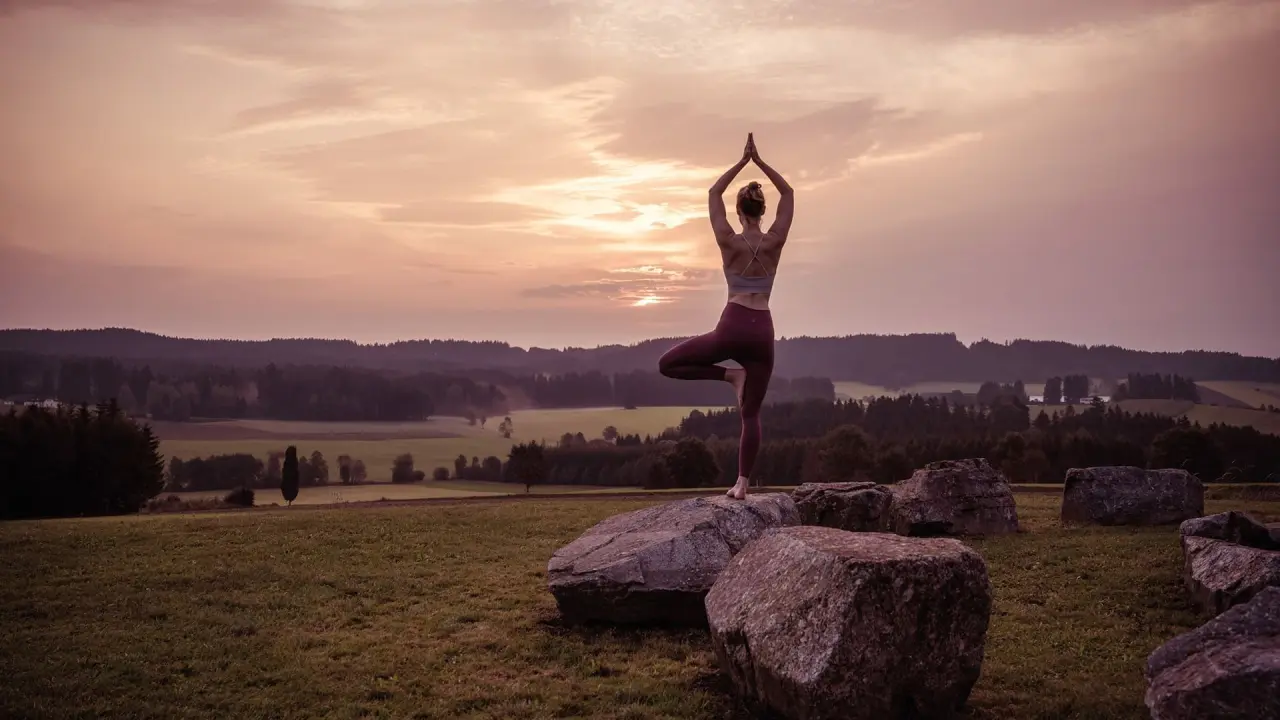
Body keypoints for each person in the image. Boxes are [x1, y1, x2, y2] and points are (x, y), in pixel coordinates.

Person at [658, 133, 794, 500]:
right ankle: (742, 484)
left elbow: (713, 194)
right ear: (762, 211)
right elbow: (790, 194)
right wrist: (760, 162)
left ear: (739, 212)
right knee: (751, 415)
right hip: (762, 331)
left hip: (732, 326)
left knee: (668, 364)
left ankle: (730, 376)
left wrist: (741, 162)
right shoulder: (775, 241)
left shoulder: (728, 241)